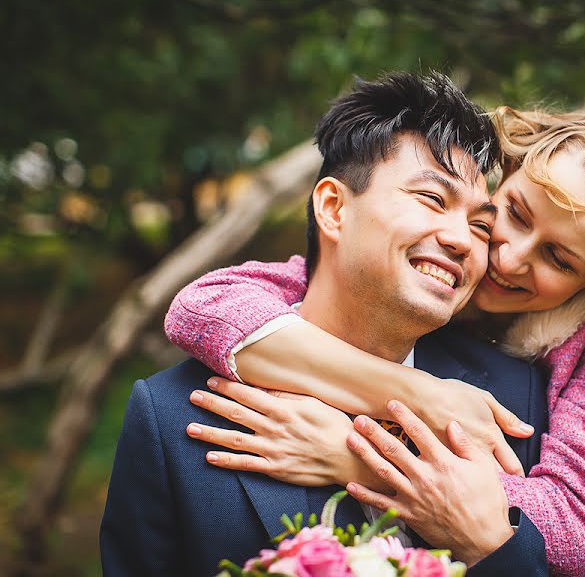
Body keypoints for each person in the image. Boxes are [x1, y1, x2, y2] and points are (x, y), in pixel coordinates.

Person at [165, 106, 585, 574]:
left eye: (558, 258)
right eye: (515, 214)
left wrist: (361, 460)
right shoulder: (439, 254)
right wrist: (419, 393)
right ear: (507, 174)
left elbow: (571, 526)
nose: (509, 256)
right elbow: (204, 308)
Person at [100, 72, 553, 576]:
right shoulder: (170, 418)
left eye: (480, 226)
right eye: (432, 200)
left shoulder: (517, 399)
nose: (462, 240)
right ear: (334, 209)